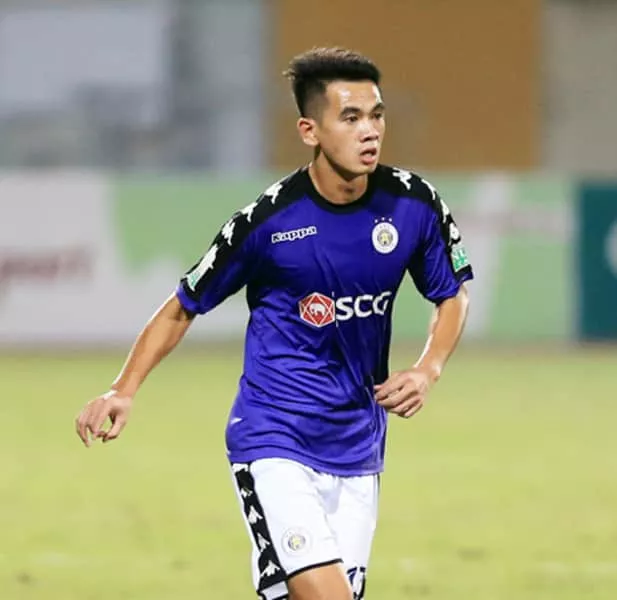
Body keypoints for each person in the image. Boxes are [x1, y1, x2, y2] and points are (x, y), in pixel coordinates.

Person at [75, 46, 473, 600]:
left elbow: (451, 295)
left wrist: (429, 368)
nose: (369, 131)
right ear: (310, 130)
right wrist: (123, 388)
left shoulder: (414, 204)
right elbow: (182, 306)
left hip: (358, 446)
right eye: (350, 117)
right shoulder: (267, 222)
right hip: (274, 439)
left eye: (376, 115)